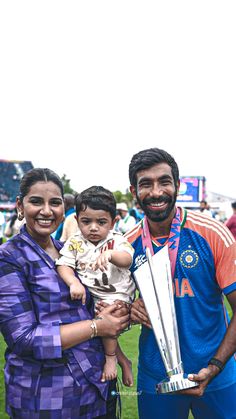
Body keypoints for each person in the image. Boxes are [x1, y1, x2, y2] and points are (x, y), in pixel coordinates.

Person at [0, 168, 130, 419]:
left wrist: (116, 354)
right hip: (47, 399)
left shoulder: (68, 252)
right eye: (36, 201)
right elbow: (24, 339)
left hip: (95, 388)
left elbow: (88, 309)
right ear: (20, 205)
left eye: (55, 203)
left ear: (64, 208)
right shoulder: (9, 257)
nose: (47, 211)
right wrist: (97, 327)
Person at [125, 148, 236, 419]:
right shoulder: (125, 245)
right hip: (156, 377)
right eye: (145, 184)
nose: (156, 191)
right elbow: (112, 307)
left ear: (177, 185)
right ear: (133, 191)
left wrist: (216, 365)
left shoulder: (212, 234)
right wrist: (130, 309)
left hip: (217, 375)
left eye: (164, 181)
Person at [56, 186, 135, 386]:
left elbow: (127, 259)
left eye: (101, 222)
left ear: (113, 222)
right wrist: (73, 282)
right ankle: (124, 360)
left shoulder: (116, 240)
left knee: (106, 318)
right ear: (76, 220)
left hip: (117, 295)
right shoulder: (75, 242)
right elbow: (63, 264)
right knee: (100, 326)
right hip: (93, 295)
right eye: (86, 221)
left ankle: (111, 359)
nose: (93, 227)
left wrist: (110, 255)